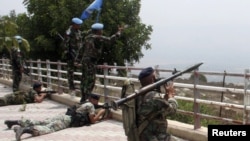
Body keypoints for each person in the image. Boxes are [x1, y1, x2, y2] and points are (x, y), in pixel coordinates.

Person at [4, 94, 109, 141]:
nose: (97, 103)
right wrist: (101, 113)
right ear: (94, 100)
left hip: (64, 116)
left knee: (42, 122)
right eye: (97, 101)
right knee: (49, 128)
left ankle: (15, 122)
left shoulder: (84, 103)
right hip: (68, 120)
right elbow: (92, 120)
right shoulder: (90, 105)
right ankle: (24, 130)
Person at [79, 23, 123, 103]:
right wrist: (118, 32)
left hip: (84, 60)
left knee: (84, 79)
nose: (102, 31)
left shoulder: (87, 37)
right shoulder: (97, 37)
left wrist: (77, 60)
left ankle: (83, 97)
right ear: (98, 31)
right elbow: (110, 40)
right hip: (91, 61)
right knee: (90, 80)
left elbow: (81, 49)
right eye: (101, 30)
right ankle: (86, 99)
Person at [136, 67, 178, 141]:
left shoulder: (139, 94)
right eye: (155, 76)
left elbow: (157, 107)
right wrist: (171, 96)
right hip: (154, 137)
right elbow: (172, 110)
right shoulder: (154, 97)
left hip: (142, 135)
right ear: (152, 79)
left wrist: (166, 97)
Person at [63, 17, 83, 97]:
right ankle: (72, 88)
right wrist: (68, 53)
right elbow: (66, 45)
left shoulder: (78, 32)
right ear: (74, 25)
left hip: (78, 54)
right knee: (70, 72)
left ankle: (81, 87)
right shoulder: (69, 32)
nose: (79, 26)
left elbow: (80, 43)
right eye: (78, 25)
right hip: (71, 54)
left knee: (81, 70)